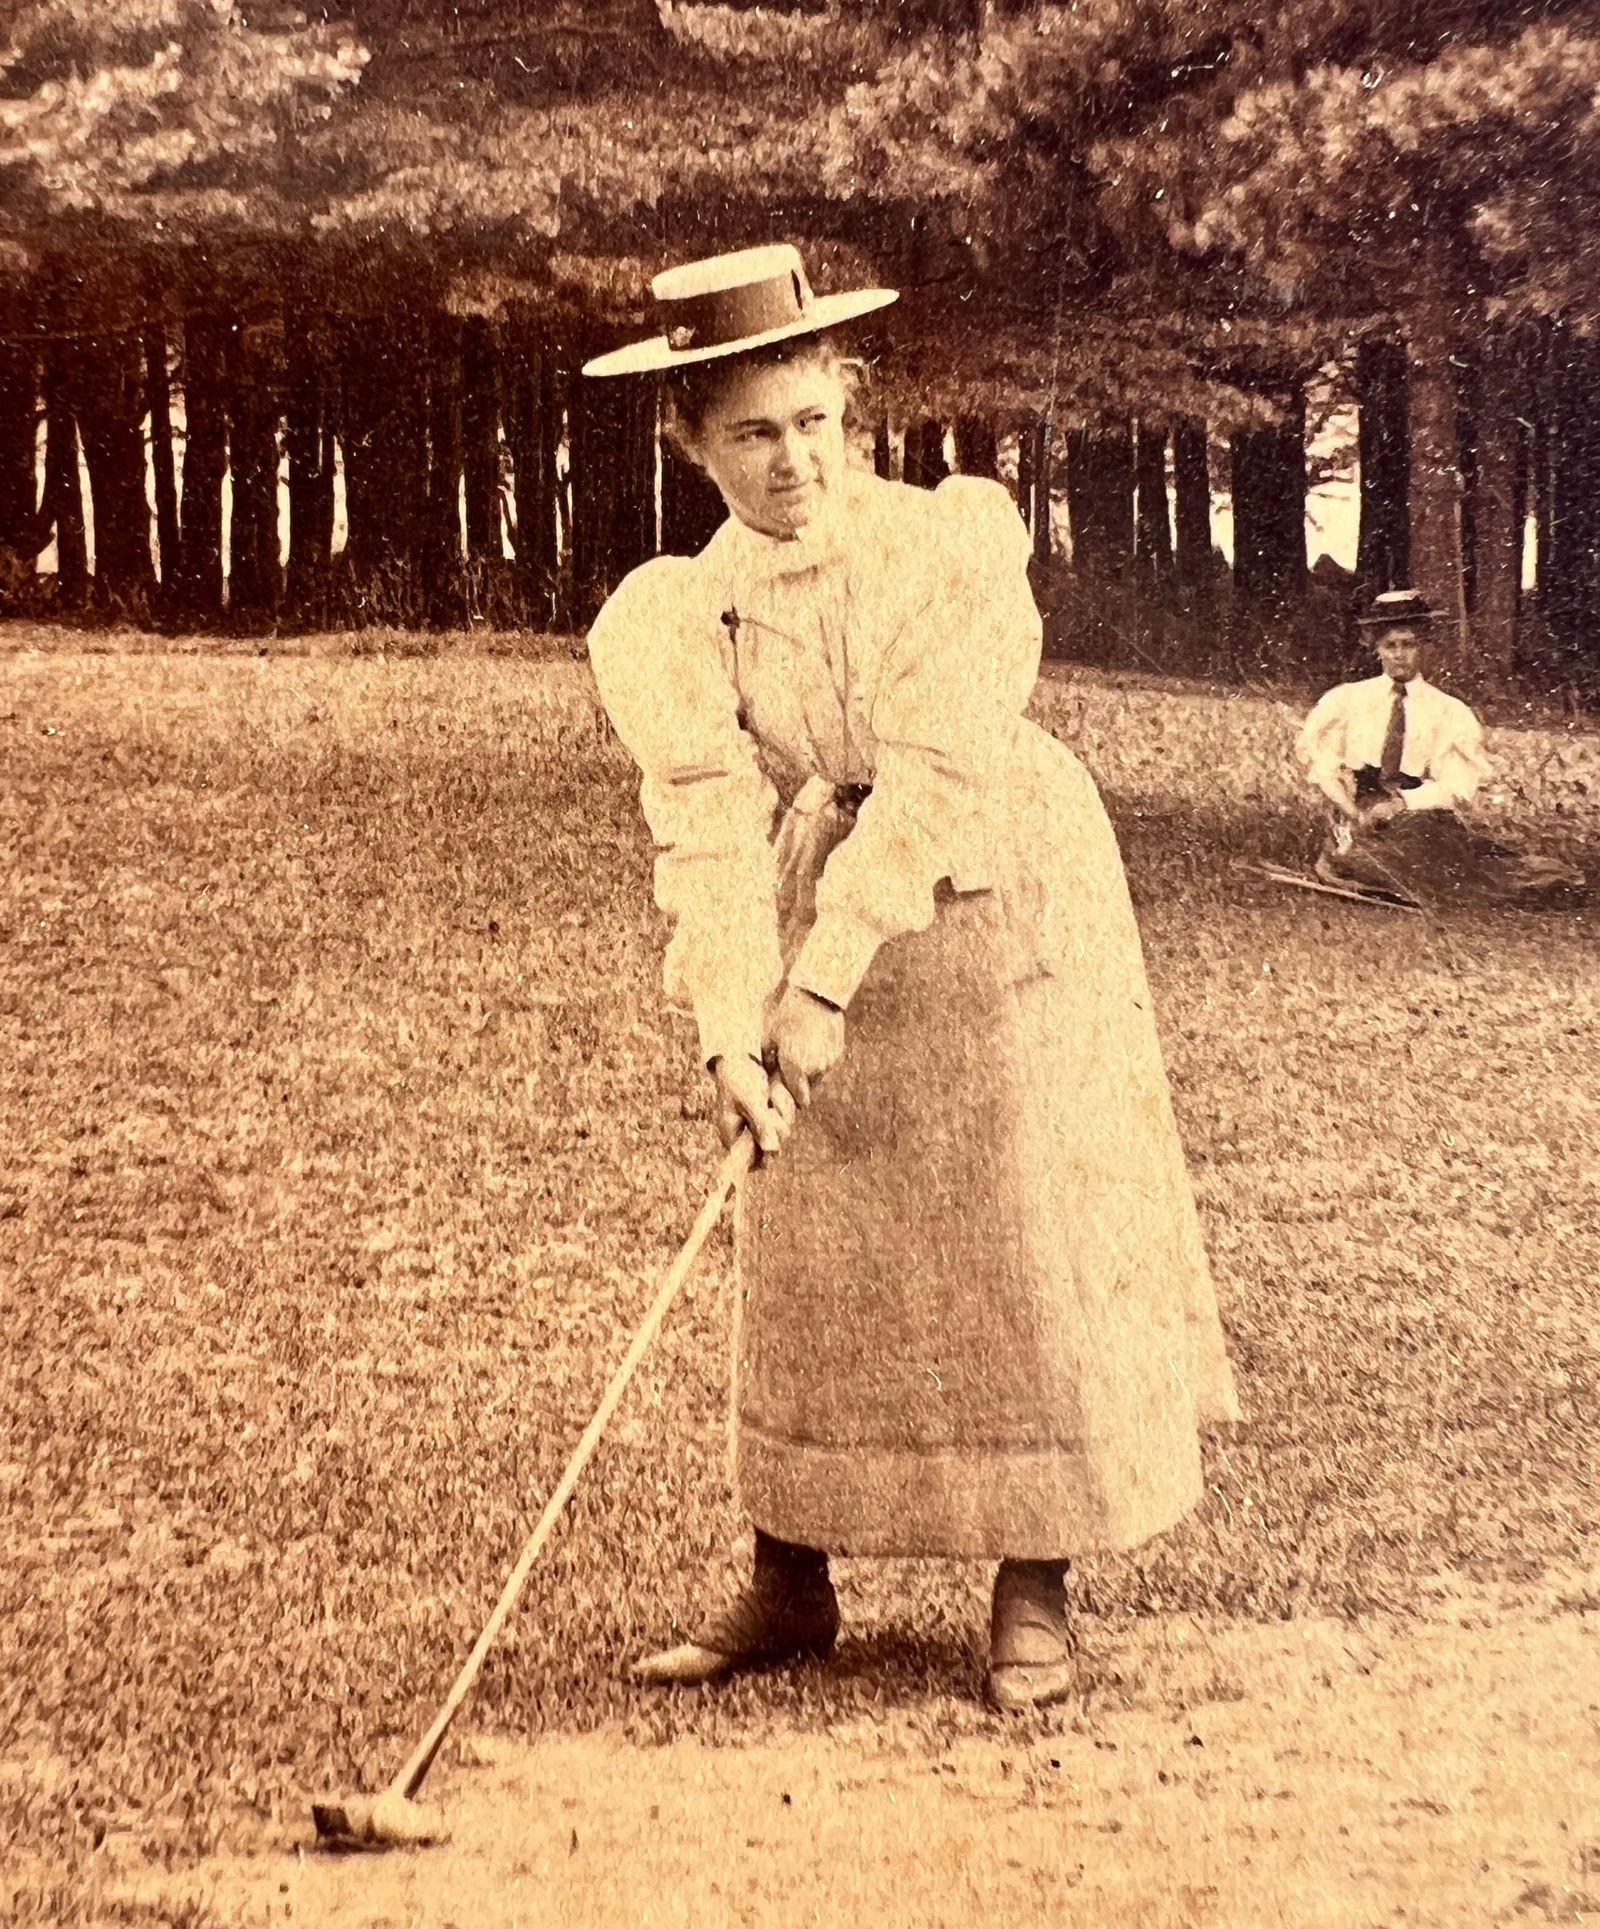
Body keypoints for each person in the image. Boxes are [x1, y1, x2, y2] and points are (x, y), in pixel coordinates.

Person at [582, 243, 1239, 1712]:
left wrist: (822, 985)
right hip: (837, 866)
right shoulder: (680, 611)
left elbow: (940, 775)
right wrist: (729, 1027)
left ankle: (1035, 1581)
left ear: (848, 406)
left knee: (1017, 1207)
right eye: (750, 432)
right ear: (689, 440)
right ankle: (789, 1573)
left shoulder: (945, 549)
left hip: (1001, 875)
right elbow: (702, 818)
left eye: (810, 421)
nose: (789, 459)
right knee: (805, 1215)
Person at [1297, 589, 1583, 906]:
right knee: (1363, 859)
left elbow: (1458, 786)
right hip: (1359, 819)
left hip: (1419, 819)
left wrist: (1403, 803)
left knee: (1442, 861)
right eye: (1390, 645)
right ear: (1376, 648)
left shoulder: (1449, 711)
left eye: (1409, 645)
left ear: (1425, 648)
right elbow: (1324, 766)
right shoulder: (1346, 700)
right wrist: (1353, 812)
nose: (1399, 654)